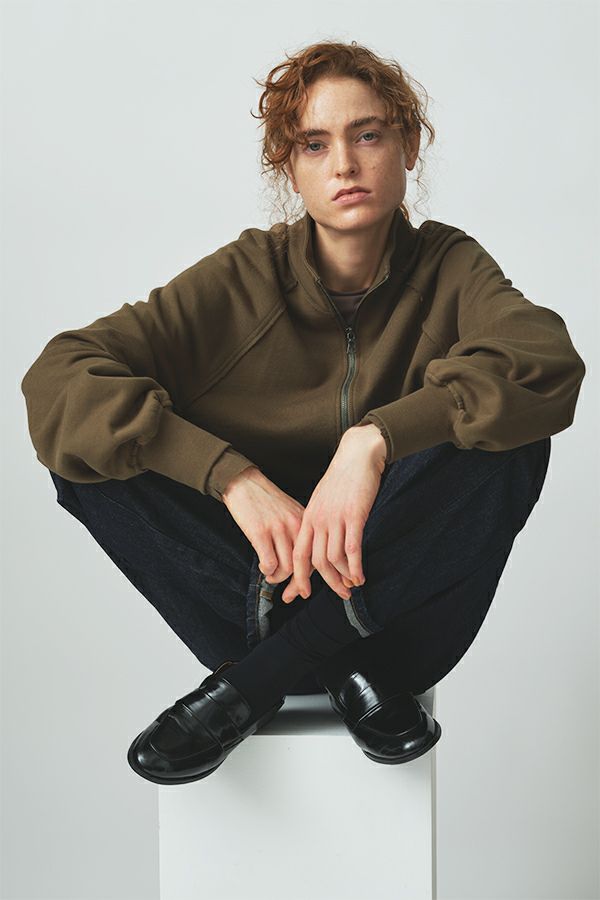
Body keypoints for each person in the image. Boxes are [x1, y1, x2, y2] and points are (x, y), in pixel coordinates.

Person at [21, 40, 585, 785]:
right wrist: (229, 477)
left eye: (367, 134)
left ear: (409, 147)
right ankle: (338, 662)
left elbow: (542, 361)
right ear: (289, 169)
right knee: (87, 457)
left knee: (511, 435)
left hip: (404, 629)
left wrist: (373, 441)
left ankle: (256, 685)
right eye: (315, 145)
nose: (344, 164)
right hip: (251, 600)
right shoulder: (246, 277)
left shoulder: (450, 267)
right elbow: (60, 376)